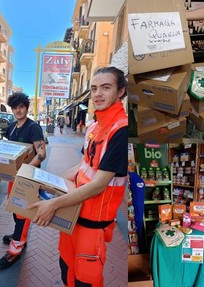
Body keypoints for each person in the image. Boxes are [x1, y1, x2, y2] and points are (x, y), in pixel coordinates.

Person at [29, 67, 128, 287]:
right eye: (94, 88)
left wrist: (53, 204)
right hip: (72, 216)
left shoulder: (121, 130)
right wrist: (49, 184)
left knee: (86, 280)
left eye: (105, 87)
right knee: (67, 271)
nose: (97, 94)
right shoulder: (93, 126)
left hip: (92, 228)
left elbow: (98, 185)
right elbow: (82, 166)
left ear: (120, 91)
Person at [0, 92, 47, 270]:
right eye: (15, 107)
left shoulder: (33, 127)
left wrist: (24, 171)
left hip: (28, 179)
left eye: (21, 107)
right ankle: (18, 235)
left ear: (26, 107)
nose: (18, 110)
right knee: (14, 207)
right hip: (14, 176)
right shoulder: (11, 126)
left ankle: (15, 250)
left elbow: (41, 154)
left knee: (23, 213)